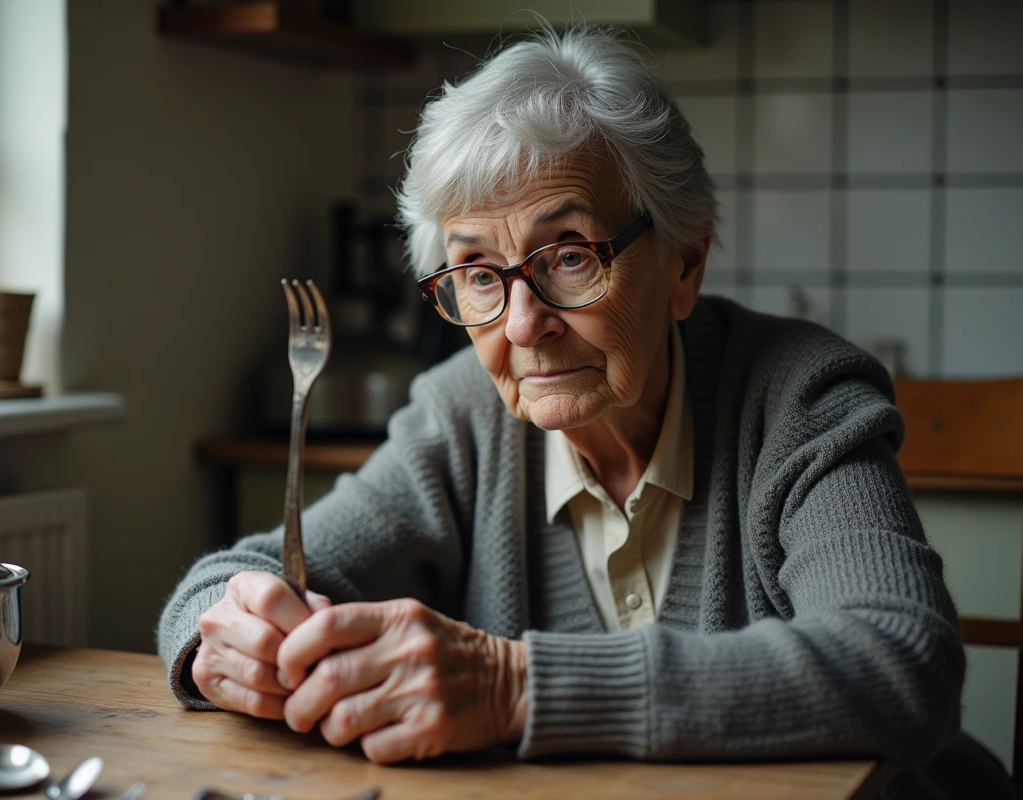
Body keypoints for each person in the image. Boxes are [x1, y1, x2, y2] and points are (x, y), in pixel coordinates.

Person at [159, 27, 1009, 798]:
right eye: (481, 275)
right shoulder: (461, 416)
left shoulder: (799, 398)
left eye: (568, 257)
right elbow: (239, 576)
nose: (524, 324)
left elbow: (902, 664)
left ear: (683, 265)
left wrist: (513, 687)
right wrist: (226, 642)